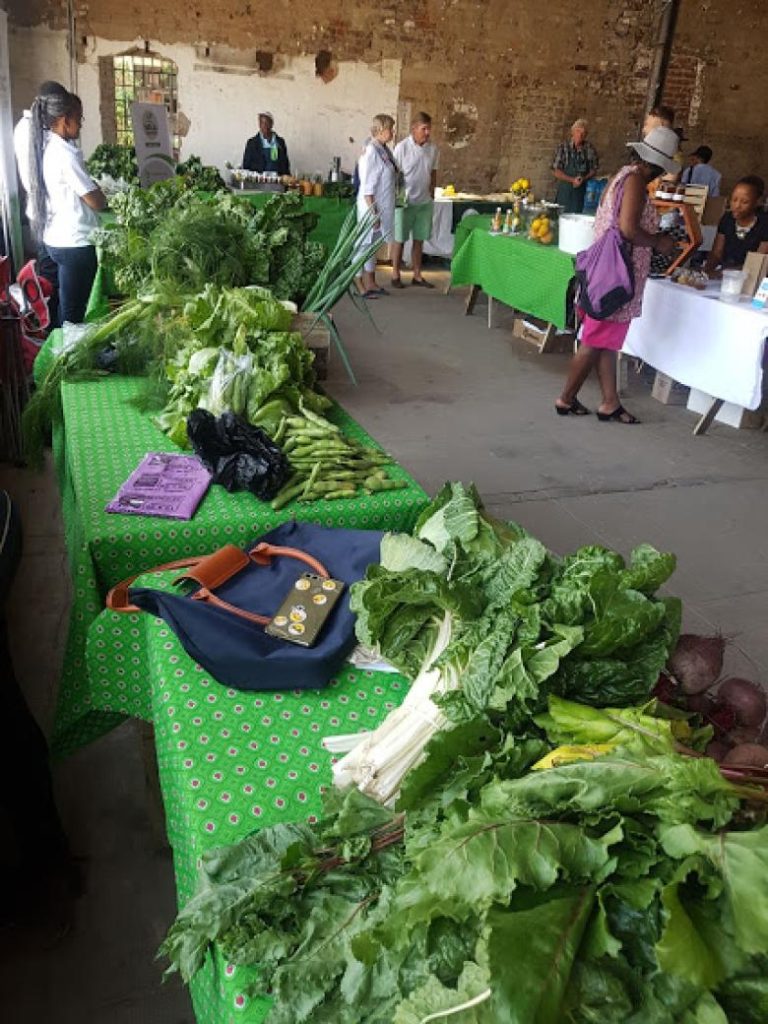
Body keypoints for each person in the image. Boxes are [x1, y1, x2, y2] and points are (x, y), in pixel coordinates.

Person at [555, 126, 679, 424]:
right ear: (655, 164)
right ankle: (566, 398)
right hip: (617, 276)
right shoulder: (635, 180)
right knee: (593, 342)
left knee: (607, 341)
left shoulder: (622, 175)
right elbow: (626, 230)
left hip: (609, 271)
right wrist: (658, 241)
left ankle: (610, 402)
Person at [27, 90, 106, 327]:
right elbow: (94, 201)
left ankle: (60, 345)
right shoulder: (66, 154)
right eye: (79, 118)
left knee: (65, 303)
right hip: (75, 243)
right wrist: (101, 196)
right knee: (74, 310)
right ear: (64, 120)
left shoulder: (47, 147)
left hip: (56, 237)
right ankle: (68, 357)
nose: (80, 125)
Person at [14, 80, 69, 327]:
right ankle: (52, 331)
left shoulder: (24, 128)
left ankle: (49, 328)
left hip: (42, 215)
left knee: (51, 278)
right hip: (52, 219)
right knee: (54, 281)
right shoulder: (41, 135)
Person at [390, 112, 439, 289]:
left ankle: (417, 275)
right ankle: (395, 273)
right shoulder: (401, 148)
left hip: (424, 202)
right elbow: (394, 175)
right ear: (414, 129)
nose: (427, 133)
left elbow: (433, 172)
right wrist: (397, 198)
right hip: (405, 200)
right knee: (399, 238)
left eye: (429, 129)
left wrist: (432, 192)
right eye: (424, 129)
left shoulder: (433, 149)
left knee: (420, 239)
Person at [354, 114, 397, 299]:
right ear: (380, 129)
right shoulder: (371, 151)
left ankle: (371, 282)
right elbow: (367, 187)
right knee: (363, 246)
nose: (393, 132)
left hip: (382, 206)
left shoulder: (383, 150)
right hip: (371, 208)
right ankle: (358, 283)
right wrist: (374, 213)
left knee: (372, 246)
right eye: (390, 128)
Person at [705, 176, 768, 273]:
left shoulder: (764, 224)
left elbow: (758, 262)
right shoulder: (727, 219)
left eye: (745, 202)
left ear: (757, 202)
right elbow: (717, 253)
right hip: (725, 275)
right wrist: (705, 273)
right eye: (734, 200)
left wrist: (726, 273)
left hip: (752, 279)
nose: (737, 206)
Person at [552, 119, 599, 214]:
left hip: (581, 193)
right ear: (572, 132)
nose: (580, 135)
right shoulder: (563, 147)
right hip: (565, 192)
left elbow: (594, 169)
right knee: (561, 218)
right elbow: (555, 170)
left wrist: (583, 178)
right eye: (578, 131)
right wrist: (572, 180)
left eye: (583, 133)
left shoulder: (589, 149)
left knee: (577, 218)